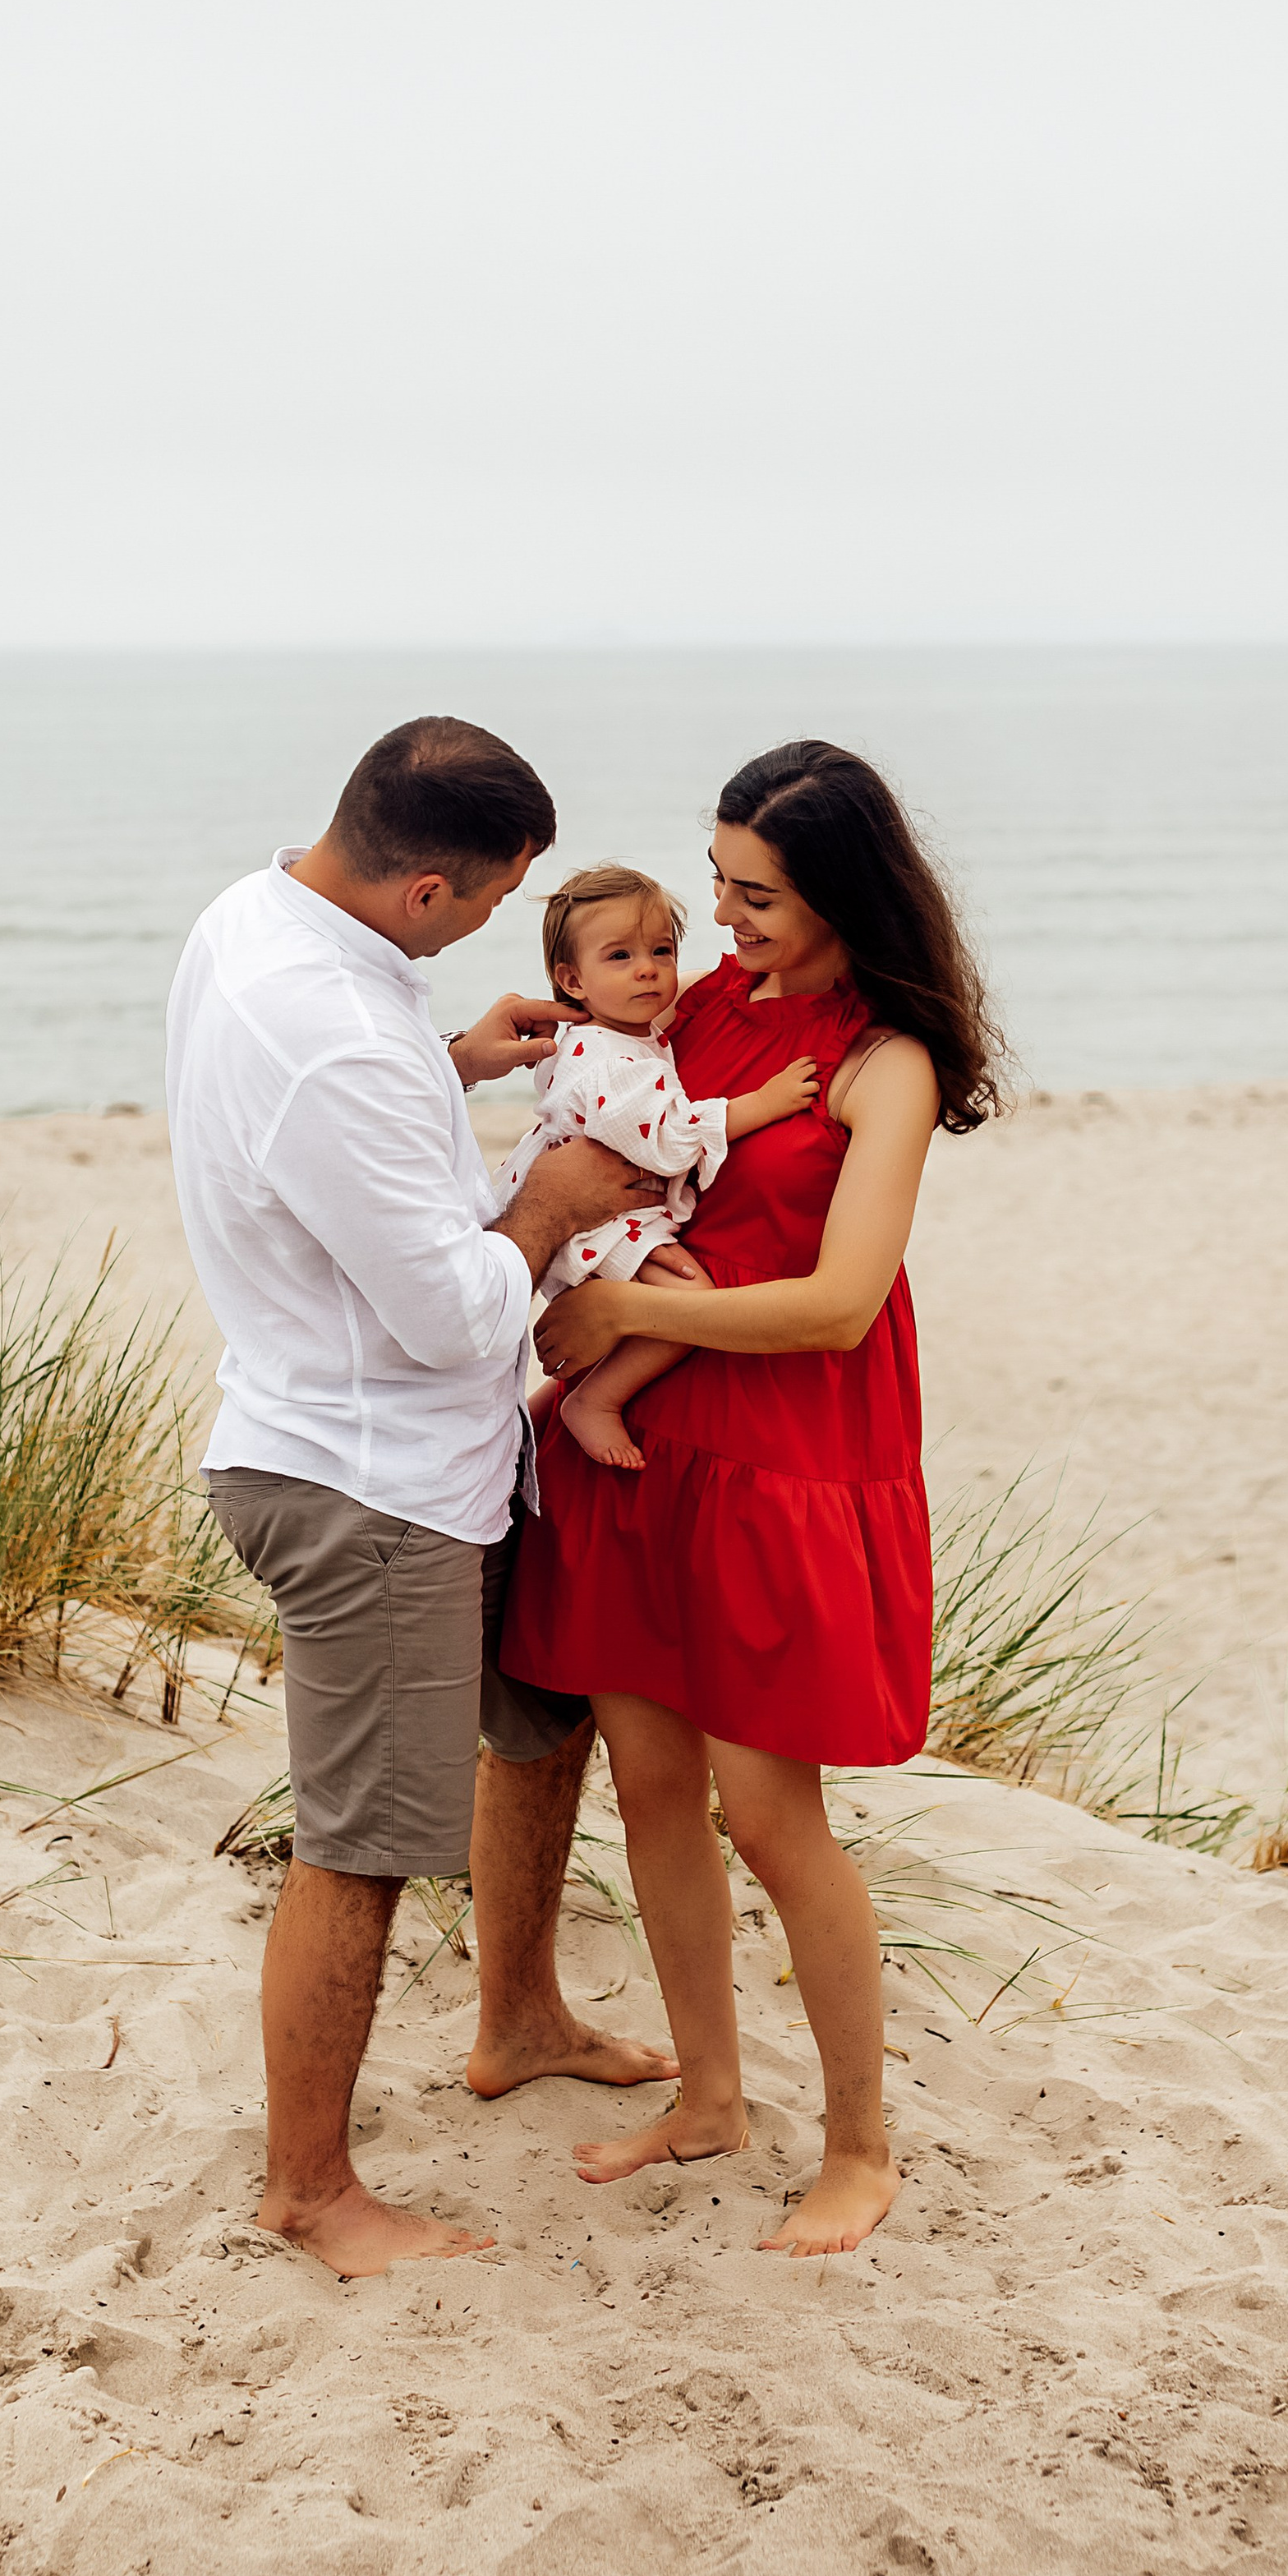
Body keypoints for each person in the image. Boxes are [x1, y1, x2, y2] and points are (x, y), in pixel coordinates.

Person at [165, 715, 679, 2280]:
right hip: (366, 1482)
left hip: (454, 1459)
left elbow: (329, 1116)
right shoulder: (320, 1028)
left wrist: (448, 1060)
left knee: (545, 1713)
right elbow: (456, 1314)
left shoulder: (265, 915)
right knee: (362, 1841)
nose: (480, 930)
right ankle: (312, 2189)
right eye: (488, 901)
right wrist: (552, 1200)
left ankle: (517, 2017)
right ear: (428, 884)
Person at [503, 740, 1005, 2257]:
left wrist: (609, 1330)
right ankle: (710, 2095)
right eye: (717, 882)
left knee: (776, 1817)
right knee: (650, 1785)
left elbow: (844, 1303)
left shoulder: (887, 1063)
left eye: (758, 896)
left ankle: (860, 2142)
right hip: (644, 1448)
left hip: (782, 1456)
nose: (722, 921)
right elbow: (602, 1122)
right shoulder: (703, 1001)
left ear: (844, 892)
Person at [489, 863, 818, 1468]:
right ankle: (594, 1400)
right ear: (572, 979)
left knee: (671, 1305)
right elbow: (661, 1138)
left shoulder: (630, 1033)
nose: (648, 968)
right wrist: (761, 1104)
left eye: (662, 950)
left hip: (602, 1209)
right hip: (595, 1217)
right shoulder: (606, 1054)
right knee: (689, 1299)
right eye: (619, 956)